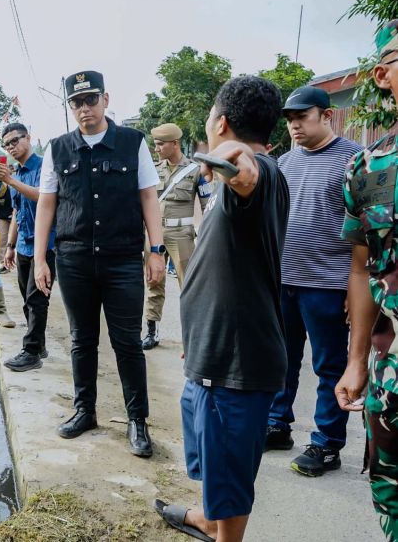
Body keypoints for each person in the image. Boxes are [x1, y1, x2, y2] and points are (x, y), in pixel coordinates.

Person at [155, 76, 287, 542]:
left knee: (230, 480)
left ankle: (221, 531)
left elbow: (246, 169)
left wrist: (235, 160)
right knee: (211, 463)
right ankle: (207, 519)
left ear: (221, 123)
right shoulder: (243, 184)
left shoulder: (259, 173)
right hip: (213, 355)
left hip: (236, 365)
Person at [33, 70, 165, 457]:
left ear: (106, 99)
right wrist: (41, 258)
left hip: (122, 258)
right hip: (73, 259)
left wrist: (155, 251)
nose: (84, 108)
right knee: (82, 339)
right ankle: (84, 411)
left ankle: (137, 421)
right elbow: (46, 204)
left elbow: (148, 197)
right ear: (70, 108)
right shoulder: (58, 149)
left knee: (127, 342)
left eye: (90, 99)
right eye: (76, 102)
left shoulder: (131, 142)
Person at [263, 86, 363, 477]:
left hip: (329, 283)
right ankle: (277, 424)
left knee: (329, 366)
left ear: (326, 116)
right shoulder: (285, 162)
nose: (294, 126)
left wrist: (355, 291)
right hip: (285, 279)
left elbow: (365, 233)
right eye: (289, 120)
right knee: (281, 359)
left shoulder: (355, 159)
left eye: (301, 117)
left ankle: (326, 444)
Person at [336, 18, 398, 541]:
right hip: (391, 375)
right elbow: (361, 268)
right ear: (383, 75)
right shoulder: (369, 168)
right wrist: (356, 361)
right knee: (393, 498)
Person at [0, 122, 57, 372]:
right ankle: (38, 344)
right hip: (24, 245)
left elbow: (44, 197)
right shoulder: (17, 173)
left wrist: (9, 180)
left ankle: (31, 352)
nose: (12, 147)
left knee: (37, 298)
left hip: (47, 244)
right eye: (7, 144)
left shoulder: (44, 167)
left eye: (15, 141)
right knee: (27, 299)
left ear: (28, 138)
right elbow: (17, 211)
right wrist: (10, 246)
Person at [141, 123, 212, 350]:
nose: (157, 148)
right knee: (154, 283)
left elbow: (207, 205)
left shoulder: (196, 171)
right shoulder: (153, 170)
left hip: (182, 235)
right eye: (156, 143)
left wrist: (206, 239)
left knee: (188, 286)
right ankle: (152, 331)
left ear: (175, 143)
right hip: (155, 235)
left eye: (161, 144)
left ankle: (193, 335)